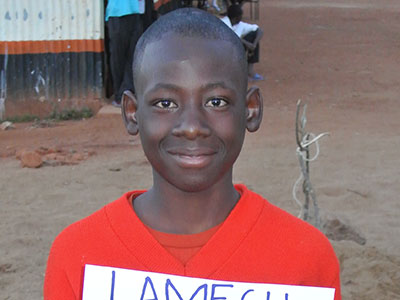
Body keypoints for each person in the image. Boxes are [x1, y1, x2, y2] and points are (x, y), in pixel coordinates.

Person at [44, 8, 341, 300]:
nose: (191, 128)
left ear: (250, 110)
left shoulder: (306, 258)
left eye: (216, 101)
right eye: (165, 103)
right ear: (132, 113)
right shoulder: (77, 257)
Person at [106, 0, 154, 107]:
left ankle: (127, 91)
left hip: (137, 13)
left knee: (133, 54)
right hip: (118, 12)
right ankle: (120, 94)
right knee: (118, 56)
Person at [221, 4, 264, 81]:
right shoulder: (223, 22)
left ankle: (250, 71)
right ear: (237, 17)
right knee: (238, 45)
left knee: (253, 35)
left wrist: (253, 44)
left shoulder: (239, 24)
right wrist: (248, 44)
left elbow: (259, 30)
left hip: (234, 48)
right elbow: (231, 37)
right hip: (222, 50)